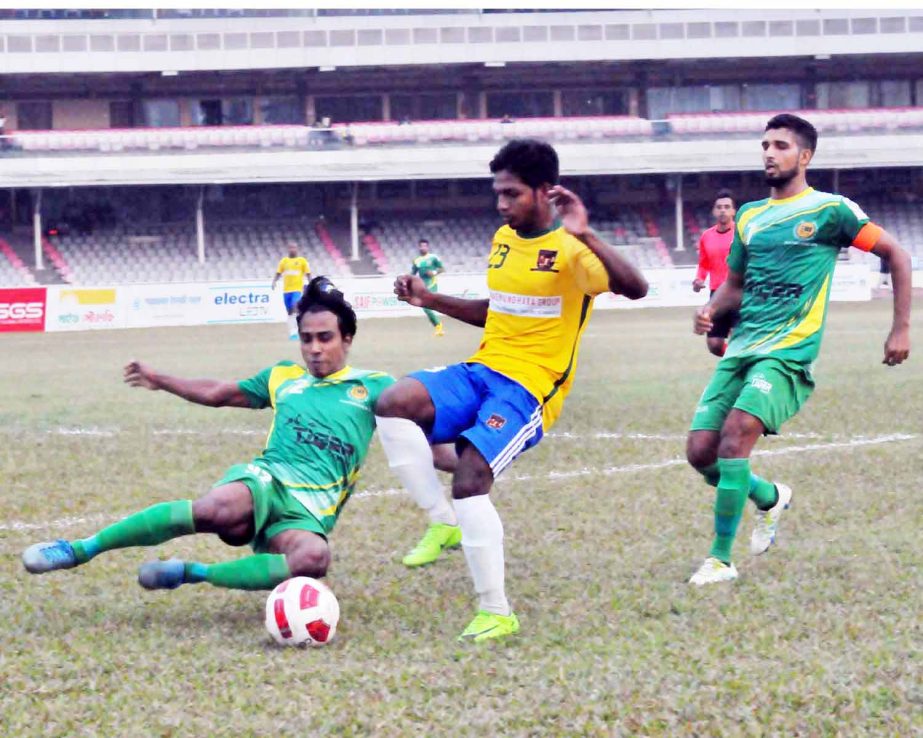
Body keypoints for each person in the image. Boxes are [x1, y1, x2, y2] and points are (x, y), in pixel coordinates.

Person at [374, 138, 649, 642]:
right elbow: (497, 310)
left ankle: (496, 611)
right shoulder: (504, 237)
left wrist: (587, 234)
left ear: (546, 191)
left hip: (530, 389)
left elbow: (636, 288)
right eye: (498, 193)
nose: (501, 205)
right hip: (481, 369)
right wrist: (429, 298)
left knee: (471, 478)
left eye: (512, 194)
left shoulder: (574, 250)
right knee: (392, 404)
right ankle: (443, 522)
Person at [21, 277, 427, 594]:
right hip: (267, 482)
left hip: (310, 512)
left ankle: (192, 573)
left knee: (314, 558)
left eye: (325, 338)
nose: (315, 349)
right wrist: (160, 379)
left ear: (347, 339)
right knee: (219, 511)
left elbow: (424, 430)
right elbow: (218, 393)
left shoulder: (375, 386)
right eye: (307, 339)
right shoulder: (283, 376)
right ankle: (78, 550)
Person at [686, 114, 912, 586]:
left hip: (788, 351)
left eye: (781, 145)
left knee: (735, 437)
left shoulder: (832, 211)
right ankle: (770, 497)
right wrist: (711, 309)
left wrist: (900, 330)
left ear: (804, 156)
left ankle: (720, 561)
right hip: (743, 346)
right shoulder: (749, 215)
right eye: (765, 144)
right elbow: (735, 284)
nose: (770, 152)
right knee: (700, 454)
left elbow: (898, 254)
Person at [692, 190, 738, 357]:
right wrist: (699, 279)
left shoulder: (741, 234)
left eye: (727, 207)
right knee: (714, 344)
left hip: (738, 293)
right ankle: (735, 361)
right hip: (716, 295)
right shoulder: (706, 236)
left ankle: (738, 369)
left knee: (737, 339)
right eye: (719, 207)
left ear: (734, 211)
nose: (723, 210)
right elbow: (704, 263)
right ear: (714, 211)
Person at [272, 242, 311, 340]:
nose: (292, 249)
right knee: (289, 312)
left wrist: (312, 284)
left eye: (294, 247)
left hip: (297, 289)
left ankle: (298, 330)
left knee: (295, 307)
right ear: (288, 249)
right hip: (286, 291)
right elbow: (278, 273)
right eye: (290, 248)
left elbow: (308, 274)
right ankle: (292, 333)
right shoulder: (284, 261)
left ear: (297, 249)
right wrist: (274, 282)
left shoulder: (302, 261)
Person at [410, 238, 446, 336]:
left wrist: (433, 272)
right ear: (419, 247)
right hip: (422, 285)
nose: (423, 248)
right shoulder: (416, 260)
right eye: (421, 246)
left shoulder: (433, 257)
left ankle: (438, 326)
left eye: (425, 246)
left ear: (428, 247)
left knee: (426, 306)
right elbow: (413, 274)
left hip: (431, 284)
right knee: (426, 307)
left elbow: (442, 269)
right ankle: (438, 327)